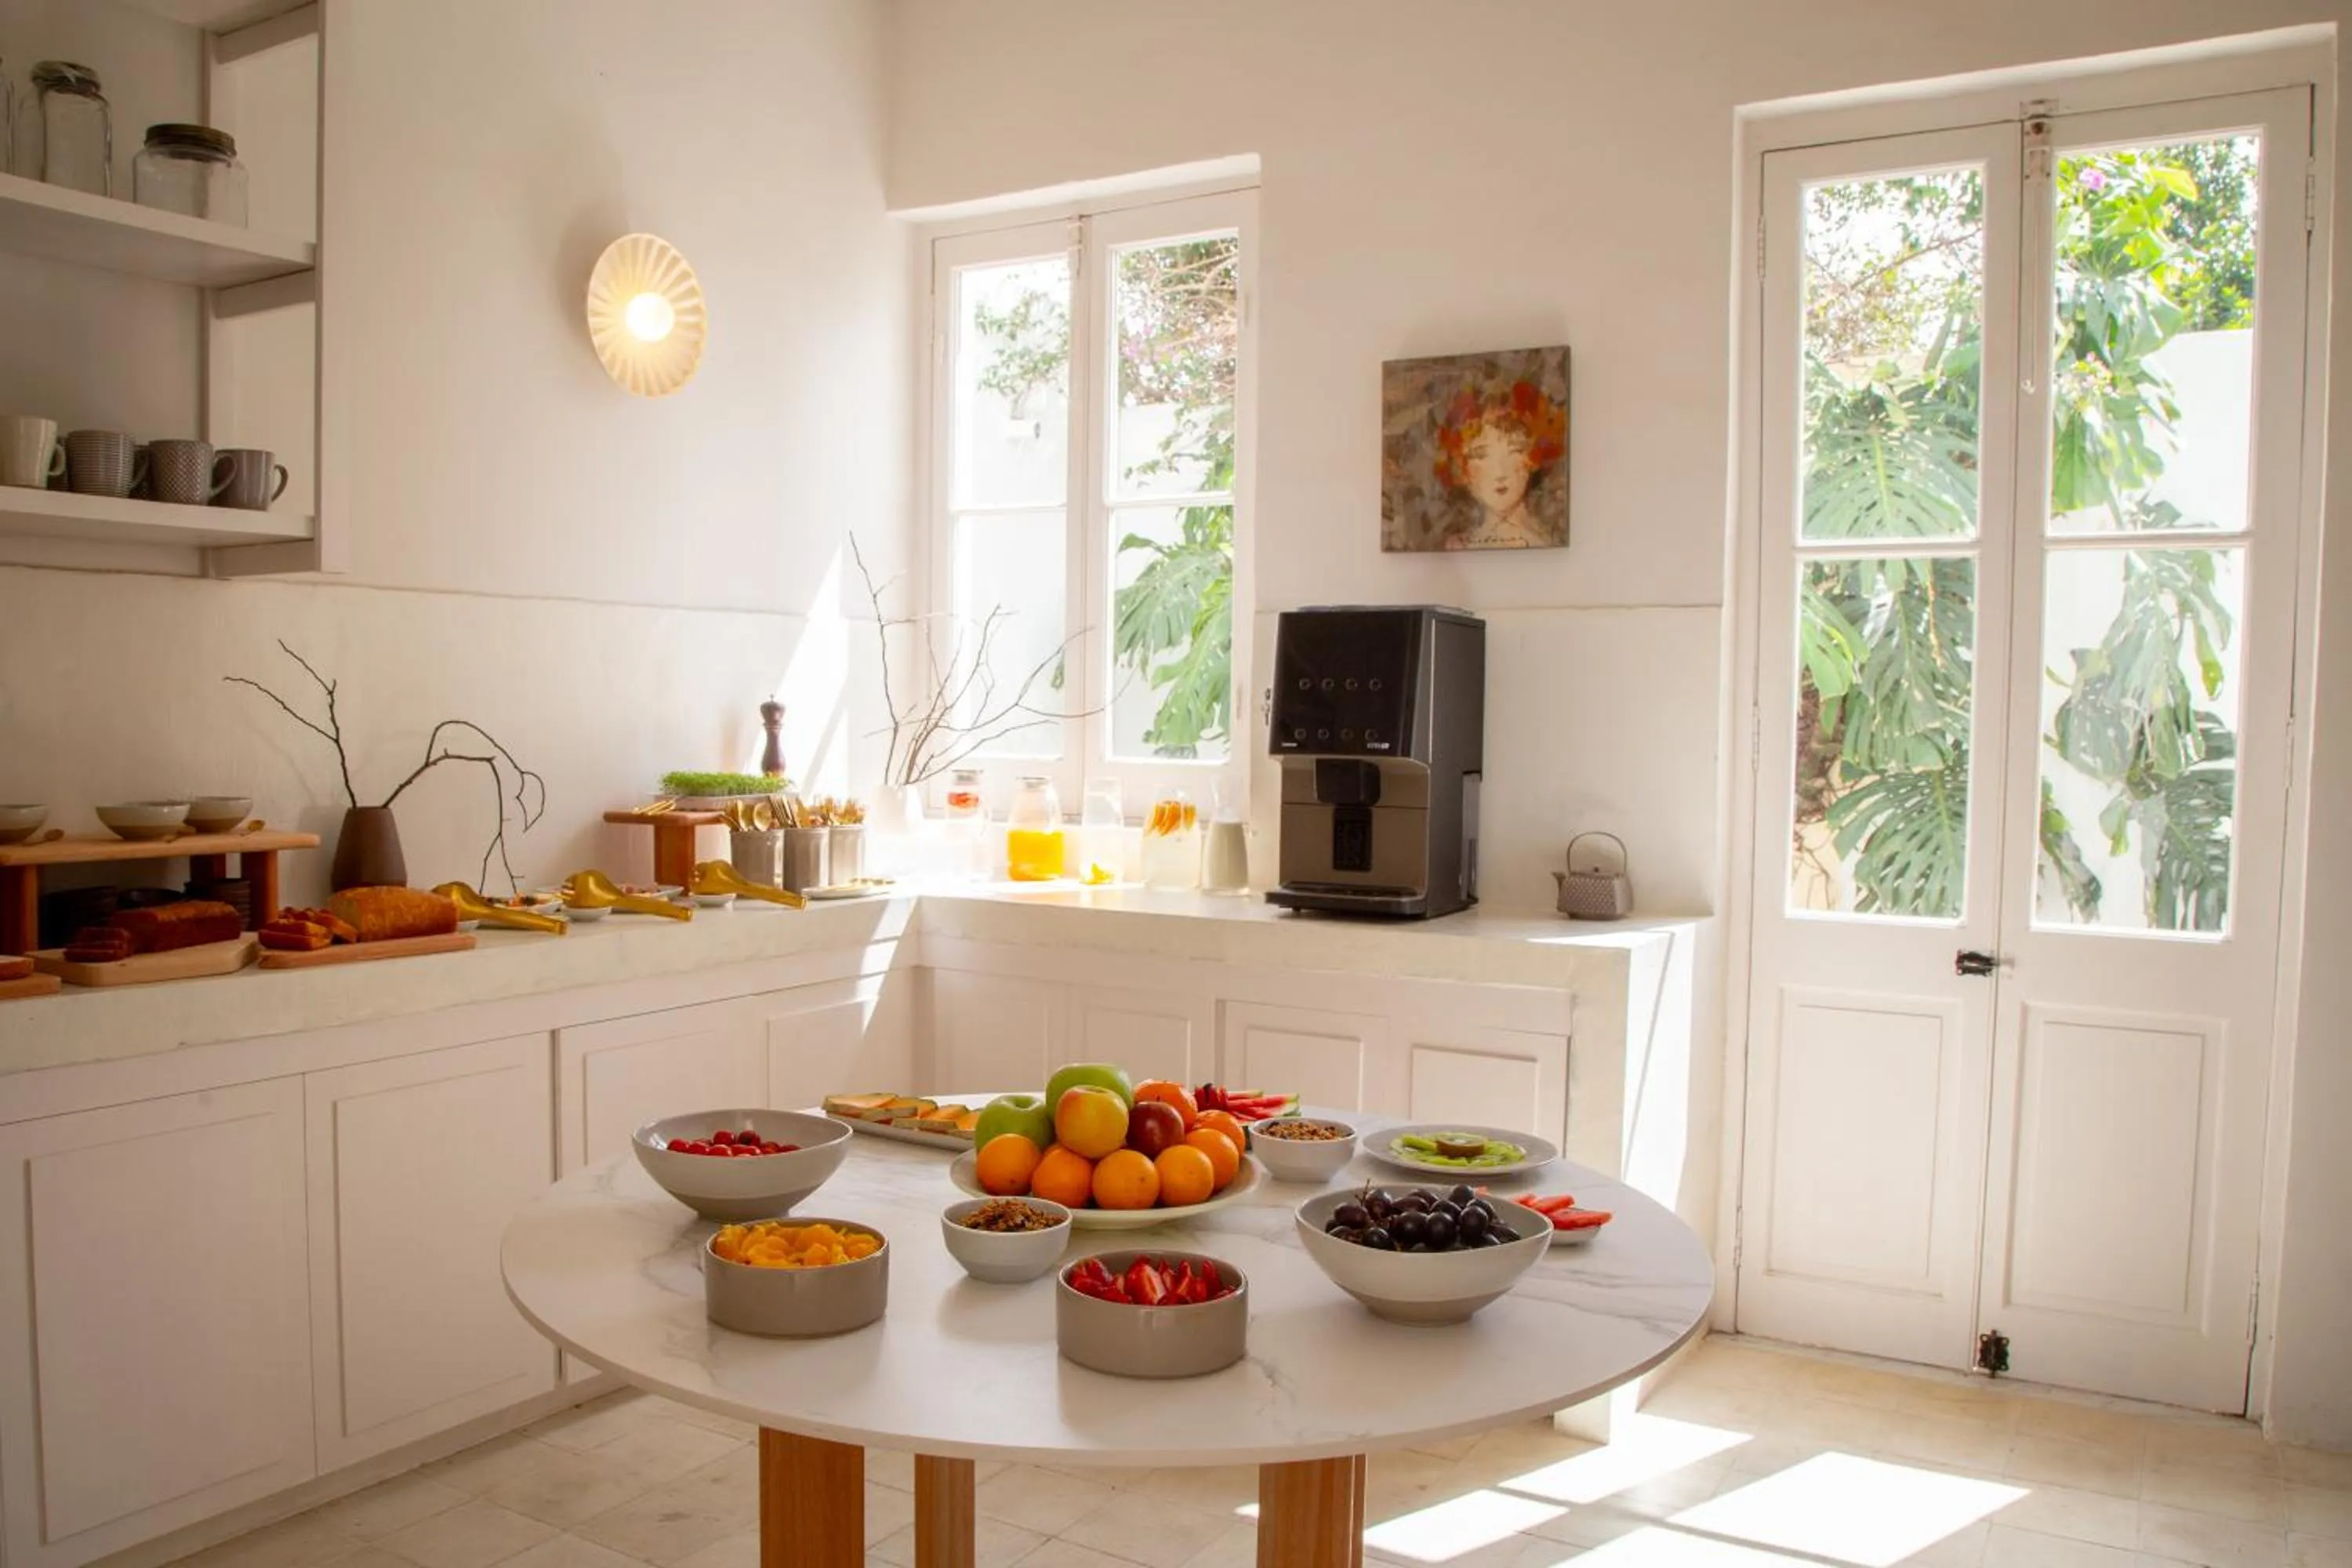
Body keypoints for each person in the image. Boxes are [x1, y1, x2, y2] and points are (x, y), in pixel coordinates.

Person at [1432, 378, 1568, 550]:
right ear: (1460, 463)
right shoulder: (1455, 547)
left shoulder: (1549, 542)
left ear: (1535, 455)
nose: (1500, 472)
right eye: (1481, 455)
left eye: (1514, 451)